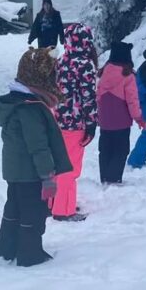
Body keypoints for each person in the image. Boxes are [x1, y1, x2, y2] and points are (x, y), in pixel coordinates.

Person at [0, 47, 73, 266]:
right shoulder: (30, 108)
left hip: (16, 170)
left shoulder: (16, 101)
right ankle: (30, 254)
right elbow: (38, 146)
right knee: (33, 211)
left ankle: (7, 248)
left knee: (14, 207)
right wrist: (47, 175)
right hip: (30, 172)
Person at [52, 23, 98, 221]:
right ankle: (63, 210)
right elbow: (88, 97)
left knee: (57, 163)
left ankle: (54, 203)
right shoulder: (85, 65)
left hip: (56, 120)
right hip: (75, 123)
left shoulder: (61, 61)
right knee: (69, 167)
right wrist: (91, 124)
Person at [96, 41, 146, 184]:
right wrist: (138, 118)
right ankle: (114, 178)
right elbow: (132, 100)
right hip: (121, 121)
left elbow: (98, 96)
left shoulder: (104, 72)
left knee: (105, 149)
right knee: (121, 150)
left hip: (105, 120)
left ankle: (104, 177)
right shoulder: (128, 75)